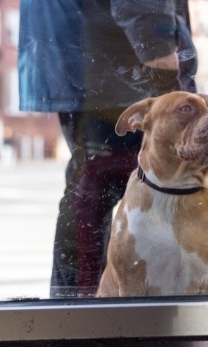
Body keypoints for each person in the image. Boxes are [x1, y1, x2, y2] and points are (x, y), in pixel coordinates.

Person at [18, 0, 198, 298]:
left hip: (85, 53)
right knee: (119, 187)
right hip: (118, 65)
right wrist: (167, 74)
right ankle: (86, 315)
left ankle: (75, 311)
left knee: (92, 188)